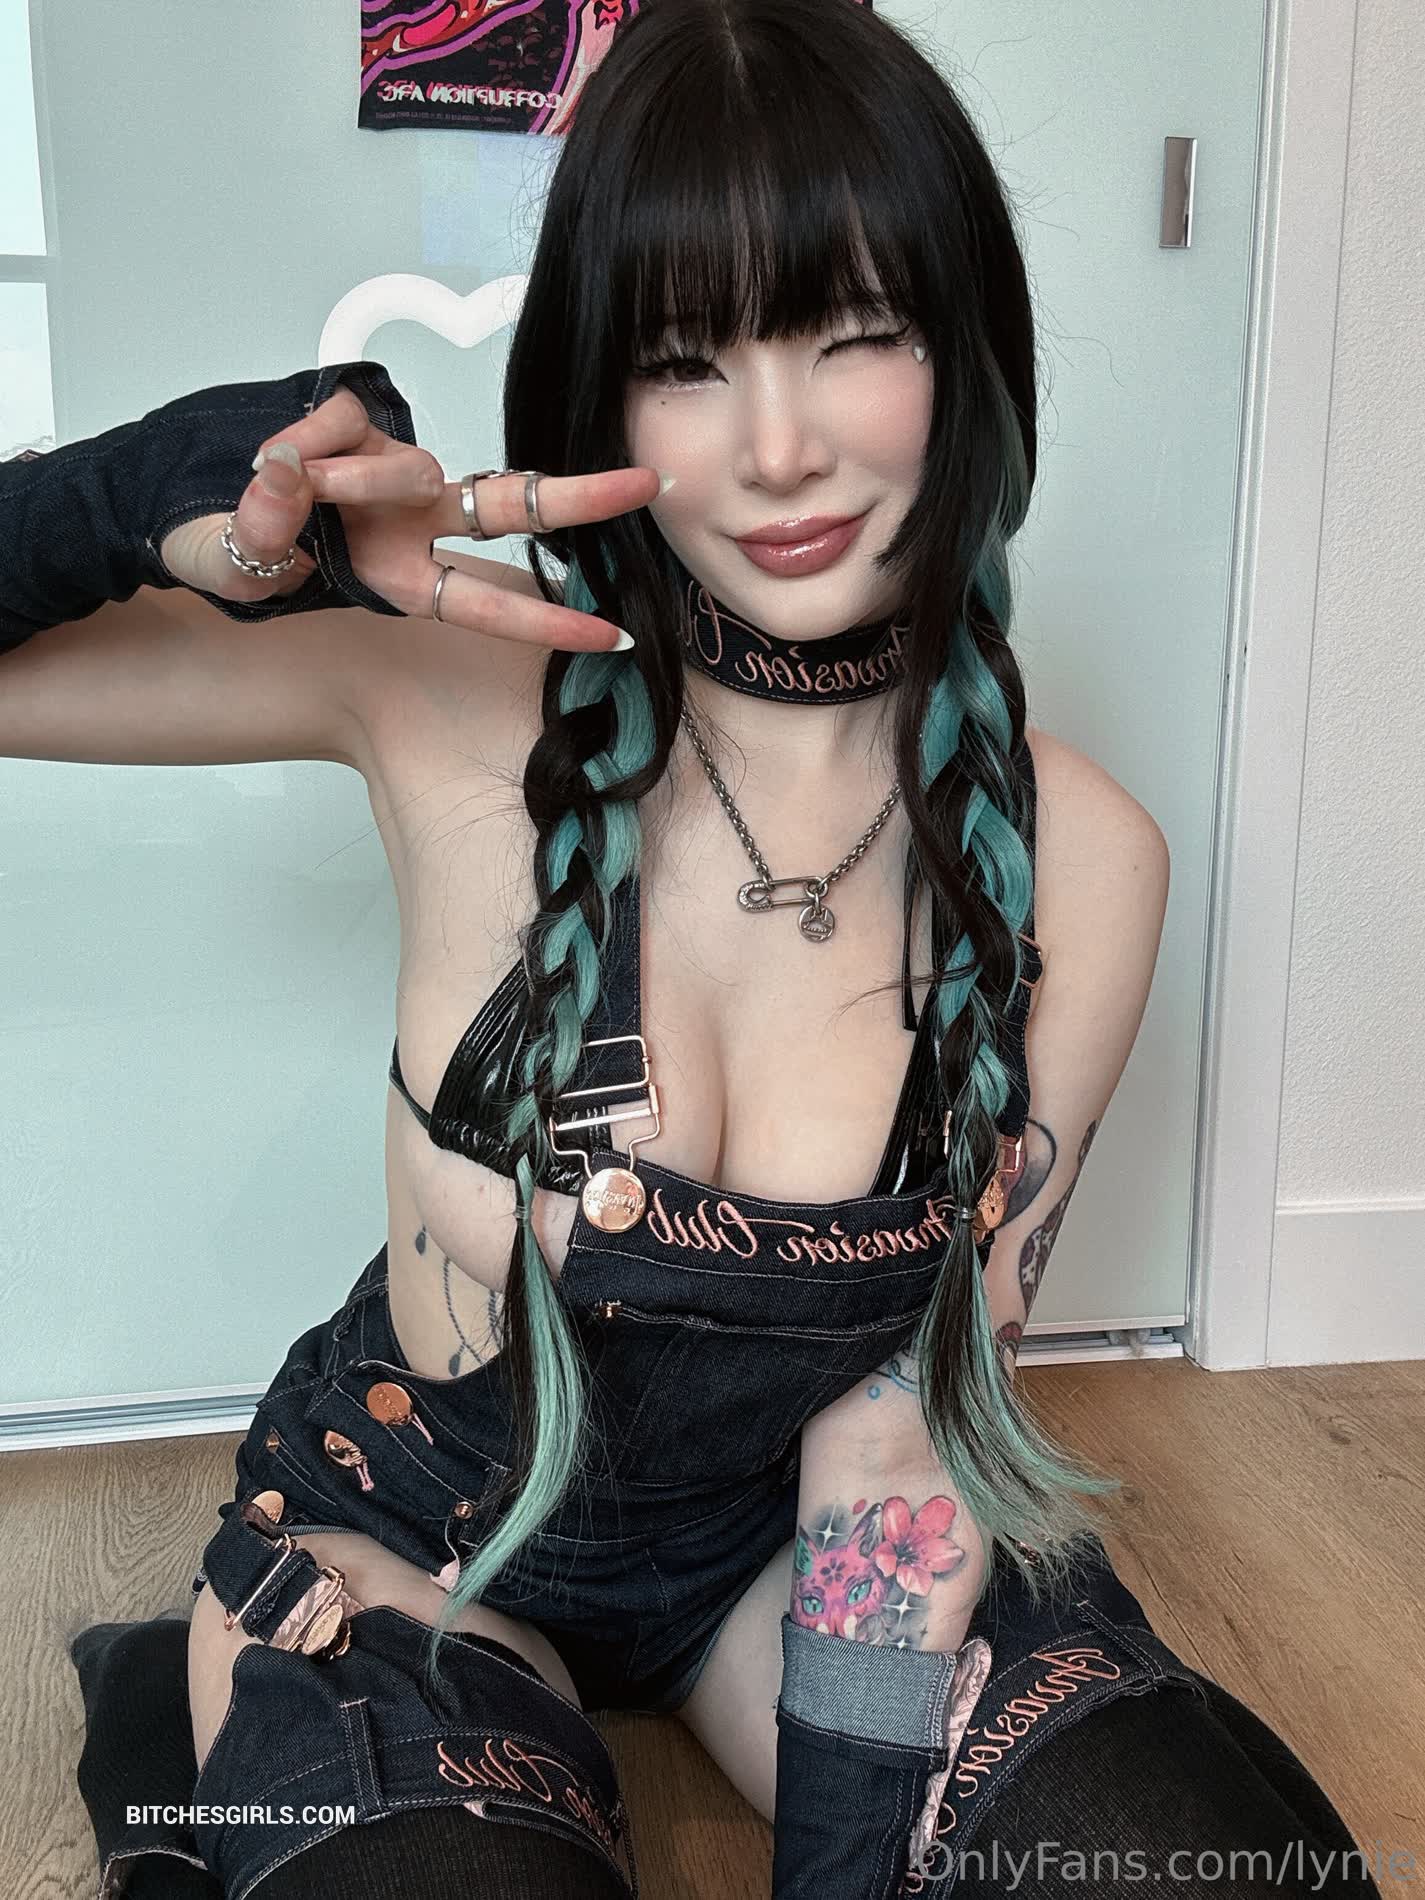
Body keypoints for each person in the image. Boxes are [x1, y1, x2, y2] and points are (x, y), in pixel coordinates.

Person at [3, 1, 1381, 1894]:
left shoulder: (1078, 862)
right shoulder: (442, 692)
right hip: (412, 1548)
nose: (779, 447)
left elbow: (896, 1456)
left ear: (967, 348)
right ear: (600, 394)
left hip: (779, 1556)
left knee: (1199, 1860)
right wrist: (164, 498)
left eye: (854, 331)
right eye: (684, 359)